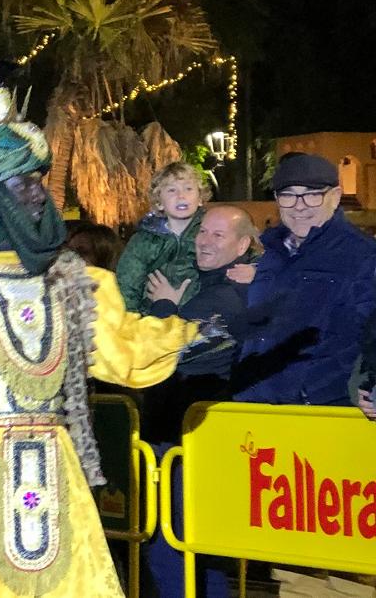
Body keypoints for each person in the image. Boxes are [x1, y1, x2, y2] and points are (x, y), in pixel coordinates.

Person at [0, 108, 197, 597]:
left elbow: (121, 347)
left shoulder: (72, 279)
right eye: (23, 183)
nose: (38, 193)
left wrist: (194, 335)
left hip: (58, 471)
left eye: (39, 181)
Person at [141, 205, 259, 598]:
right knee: (196, 548)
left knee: (173, 542)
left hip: (184, 441)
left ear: (243, 244)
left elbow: (169, 352)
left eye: (218, 235)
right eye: (202, 231)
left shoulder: (226, 298)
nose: (204, 241)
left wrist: (164, 307)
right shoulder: (208, 289)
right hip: (183, 437)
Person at [233, 153, 376, 406]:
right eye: (288, 195)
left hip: (320, 411)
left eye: (312, 194)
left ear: (335, 196)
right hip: (256, 405)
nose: (300, 206)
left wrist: (311, 389)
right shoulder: (272, 254)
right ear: (278, 200)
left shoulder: (361, 256)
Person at [115, 161, 210, 314]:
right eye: (172, 190)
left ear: (200, 199)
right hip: (154, 318)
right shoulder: (143, 240)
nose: (181, 196)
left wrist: (252, 268)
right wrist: (131, 323)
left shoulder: (211, 231)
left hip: (201, 317)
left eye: (189, 189)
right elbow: (127, 285)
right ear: (159, 202)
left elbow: (238, 252)